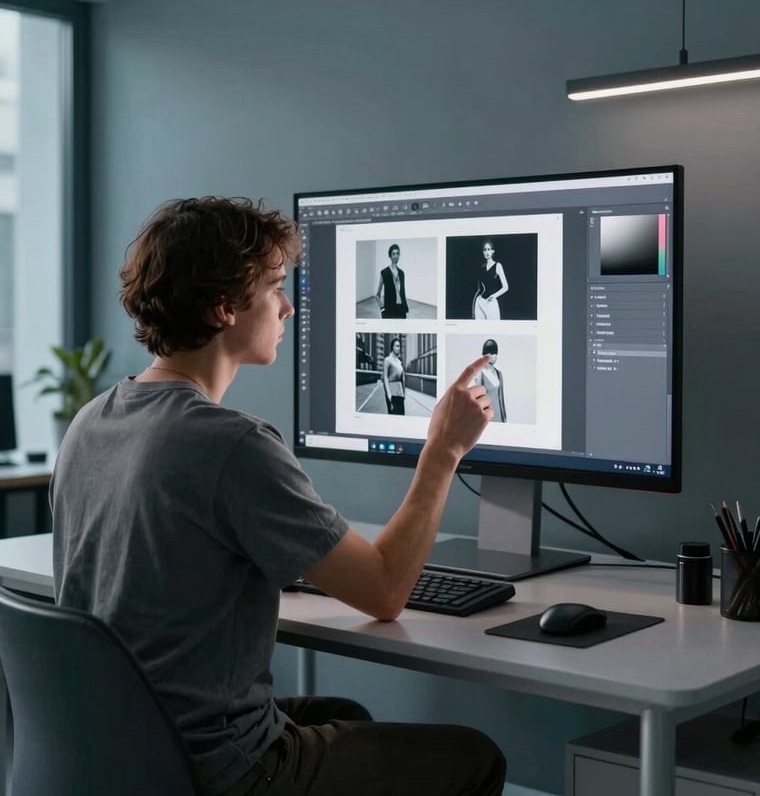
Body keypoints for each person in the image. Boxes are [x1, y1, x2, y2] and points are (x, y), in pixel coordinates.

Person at [50, 196, 506, 796]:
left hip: (122, 752)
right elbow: (386, 590)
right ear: (223, 308)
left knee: (345, 714)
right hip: (218, 770)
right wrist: (442, 451)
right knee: (474, 757)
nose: (288, 306)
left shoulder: (92, 419)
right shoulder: (231, 443)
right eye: (274, 287)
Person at [473, 238, 508, 320]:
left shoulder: (498, 266)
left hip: (491, 303)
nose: (487, 252)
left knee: (492, 330)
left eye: (489, 249)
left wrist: (494, 296)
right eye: (485, 250)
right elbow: (478, 289)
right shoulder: (481, 268)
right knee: (481, 330)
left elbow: (506, 287)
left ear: (493, 251)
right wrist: (473, 307)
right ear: (483, 252)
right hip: (480, 303)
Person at [473, 339, 507, 422]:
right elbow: (477, 399)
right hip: (487, 418)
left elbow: (501, 398)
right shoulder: (480, 372)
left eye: (495, 353)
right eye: (491, 353)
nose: (493, 356)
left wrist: (504, 417)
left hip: (499, 417)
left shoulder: (499, 374)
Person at [376, 243, 408, 318]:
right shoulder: (384, 272)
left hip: (401, 310)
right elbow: (377, 295)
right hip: (389, 311)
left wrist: (405, 307)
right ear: (390, 256)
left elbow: (403, 293)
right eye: (393, 254)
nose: (396, 256)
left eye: (397, 253)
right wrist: (382, 308)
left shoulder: (401, 273)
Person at [382, 336, 406, 415]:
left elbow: (402, 379)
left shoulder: (399, 362)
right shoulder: (387, 360)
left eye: (399, 346)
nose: (398, 348)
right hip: (392, 393)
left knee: (401, 416)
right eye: (397, 346)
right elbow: (385, 378)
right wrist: (389, 395)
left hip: (400, 393)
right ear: (392, 347)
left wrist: (404, 394)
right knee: (393, 415)